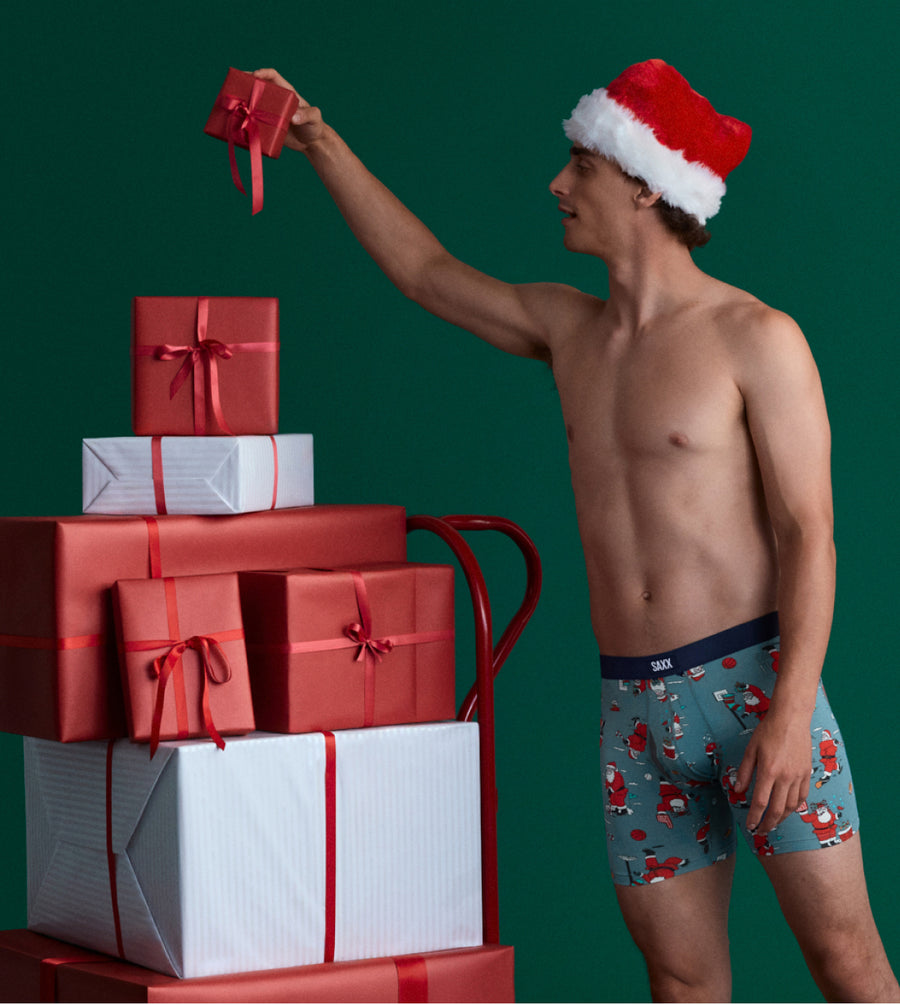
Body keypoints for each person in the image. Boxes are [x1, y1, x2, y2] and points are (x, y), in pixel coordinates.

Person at [253, 58, 899, 1002]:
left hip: (754, 687)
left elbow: (811, 533)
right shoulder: (568, 329)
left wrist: (793, 712)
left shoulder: (757, 337)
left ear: (642, 184)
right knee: (680, 979)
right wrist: (319, 141)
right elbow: (427, 274)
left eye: (580, 167)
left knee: (846, 964)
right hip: (633, 709)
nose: (557, 185)